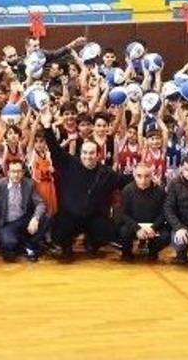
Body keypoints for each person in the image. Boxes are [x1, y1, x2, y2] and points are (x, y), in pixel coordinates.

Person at [40, 109, 131, 261]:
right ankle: (66, 247)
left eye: (91, 153)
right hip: (70, 216)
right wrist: (47, 126)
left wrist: (145, 179)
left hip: (93, 217)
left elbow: (124, 181)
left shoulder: (106, 173)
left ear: (98, 154)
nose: (88, 156)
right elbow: (55, 149)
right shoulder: (69, 163)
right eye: (85, 153)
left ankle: (93, 242)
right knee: (59, 231)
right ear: (80, 153)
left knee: (107, 232)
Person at [0, 159, 46, 262]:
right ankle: (26, 244)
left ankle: (30, 245)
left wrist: (35, 219)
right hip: (6, 223)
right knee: (9, 247)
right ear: (8, 173)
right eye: (13, 171)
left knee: (46, 218)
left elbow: (40, 204)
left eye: (19, 171)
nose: (16, 175)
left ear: (23, 172)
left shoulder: (29, 184)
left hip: (23, 220)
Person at [117, 163, 170, 261]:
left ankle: (152, 250)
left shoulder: (160, 191)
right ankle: (127, 253)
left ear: (152, 175)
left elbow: (164, 214)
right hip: (134, 225)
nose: (143, 180)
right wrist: (137, 228)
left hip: (153, 226)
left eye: (147, 176)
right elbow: (123, 214)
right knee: (123, 231)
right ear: (134, 175)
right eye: (139, 176)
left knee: (166, 236)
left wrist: (154, 228)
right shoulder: (127, 190)